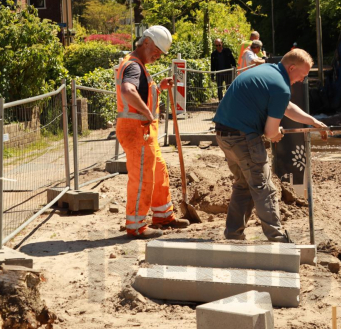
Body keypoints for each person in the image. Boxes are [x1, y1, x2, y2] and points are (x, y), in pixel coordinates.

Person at [213, 48, 327, 242]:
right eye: (303, 75)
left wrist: (312, 121)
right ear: (292, 68)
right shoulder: (281, 86)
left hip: (224, 135)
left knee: (244, 185)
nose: (302, 80)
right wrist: (275, 134)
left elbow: (286, 107)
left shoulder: (267, 72)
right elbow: (270, 132)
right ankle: (276, 237)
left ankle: (233, 234)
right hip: (243, 138)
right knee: (264, 187)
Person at [116, 25, 190, 238]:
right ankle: (136, 226)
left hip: (144, 132)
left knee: (159, 171)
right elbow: (128, 91)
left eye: (161, 53)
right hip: (137, 131)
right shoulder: (134, 66)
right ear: (145, 42)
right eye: (156, 50)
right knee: (142, 178)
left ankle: (163, 215)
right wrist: (148, 113)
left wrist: (159, 88)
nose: (158, 55)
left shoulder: (138, 65)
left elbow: (140, 91)